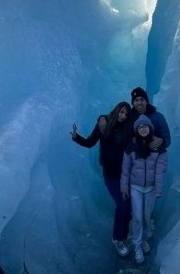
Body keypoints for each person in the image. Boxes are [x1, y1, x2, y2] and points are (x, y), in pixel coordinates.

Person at [71, 101, 133, 257]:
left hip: (125, 173)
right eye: (121, 111)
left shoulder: (127, 128)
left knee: (127, 203)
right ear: (116, 110)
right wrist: (76, 137)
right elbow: (89, 142)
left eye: (126, 114)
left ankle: (125, 233)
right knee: (121, 204)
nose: (123, 115)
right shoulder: (103, 124)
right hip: (110, 174)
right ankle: (117, 238)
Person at [121, 114, 168, 264]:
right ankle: (137, 245)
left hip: (151, 188)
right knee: (137, 217)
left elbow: (160, 170)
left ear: (150, 128)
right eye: (140, 127)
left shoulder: (159, 148)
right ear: (136, 129)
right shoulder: (131, 147)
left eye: (145, 126)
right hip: (135, 187)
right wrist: (124, 187)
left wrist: (159, 189)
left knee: (147, 216)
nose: (142, 129)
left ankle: (145, 239)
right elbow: (125, 169)